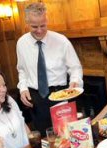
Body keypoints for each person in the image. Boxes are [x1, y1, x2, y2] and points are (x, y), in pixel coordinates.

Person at [16, 2, 83, 136]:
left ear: (47, 20)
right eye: (34, 26)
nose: (39, 30)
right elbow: (22, 70)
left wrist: (75, 81)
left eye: (43, 25)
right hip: (36, 97)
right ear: (26, 23)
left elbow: (75, 67)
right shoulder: (21, 43)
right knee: (44, 136)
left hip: (60, 94)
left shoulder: (61, 41)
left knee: (66, 134)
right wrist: (23, 88)